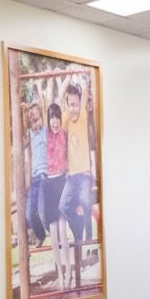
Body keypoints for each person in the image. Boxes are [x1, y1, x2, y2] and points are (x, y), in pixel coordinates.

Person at [58, 82, 93, 250]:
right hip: (71, 176)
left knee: (85, 201)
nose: (73, 109)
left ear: (81, 105)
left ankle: (89, 233)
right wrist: (68, 78)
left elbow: (85, 91)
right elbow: (60, 95)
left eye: (76, 105)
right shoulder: (65, 119)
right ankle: (78, 227)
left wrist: (77, 73)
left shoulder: (84, 116)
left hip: (85, 174)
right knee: (63, 206)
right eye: (70, 105)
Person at [42, 102, 69, 290]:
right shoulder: (46, 136)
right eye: (52, 118)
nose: (55, 122)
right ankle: (60, 273)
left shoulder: (64, 135)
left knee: (62, 233)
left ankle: (69, 272)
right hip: (48, 184)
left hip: (61, 182)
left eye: (57, 118)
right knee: (53, 235)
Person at [23, 97, 48, 247]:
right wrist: (25, 109)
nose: (35, 121)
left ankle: (51, 230)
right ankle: (41, 235)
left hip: (45, 176)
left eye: (37, 116)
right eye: (32, 118)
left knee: (42, 210)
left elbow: (44, 108)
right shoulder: (30, 134)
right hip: (35, 178)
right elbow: (24, 126)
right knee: (28, 214)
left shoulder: (46, 130)